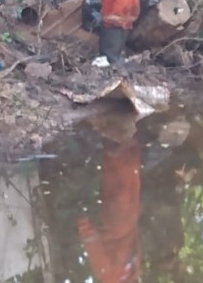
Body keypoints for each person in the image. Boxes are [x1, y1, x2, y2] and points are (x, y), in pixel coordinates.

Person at [78, 114, 142, 283]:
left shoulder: (115, 277)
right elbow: (91, 241)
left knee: (122, 178)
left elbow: (94, 245)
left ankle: (118, 129)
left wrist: (84, 223)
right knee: (120, 179)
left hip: (125, 217)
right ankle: (117, 128)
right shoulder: (126, 275)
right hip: (120, 218)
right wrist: (82, 222)